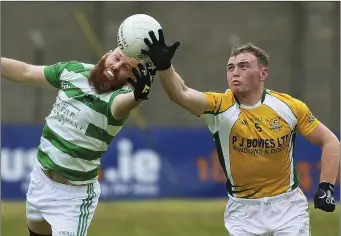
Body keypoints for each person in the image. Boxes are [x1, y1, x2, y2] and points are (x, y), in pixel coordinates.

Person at [138, 29, 340, 236]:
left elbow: (330, 141)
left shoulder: (289, 106)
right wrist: (164, 66)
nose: (235, 72)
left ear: (263, 74)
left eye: (243, 66)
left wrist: (327, 187)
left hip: (288, 207)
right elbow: (180, 93)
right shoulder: (219, 106)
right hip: (243, 213)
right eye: (230, 67)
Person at [1, 47, 155, 236]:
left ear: (130, 79)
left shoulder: (116, 99)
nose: (116, 66)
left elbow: (124, 104)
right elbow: (26, 72)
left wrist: (137, 96)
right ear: (106, 54)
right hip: (40, 179)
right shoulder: (73, 71)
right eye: (116, 58)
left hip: (72, 199)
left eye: (124, 68)